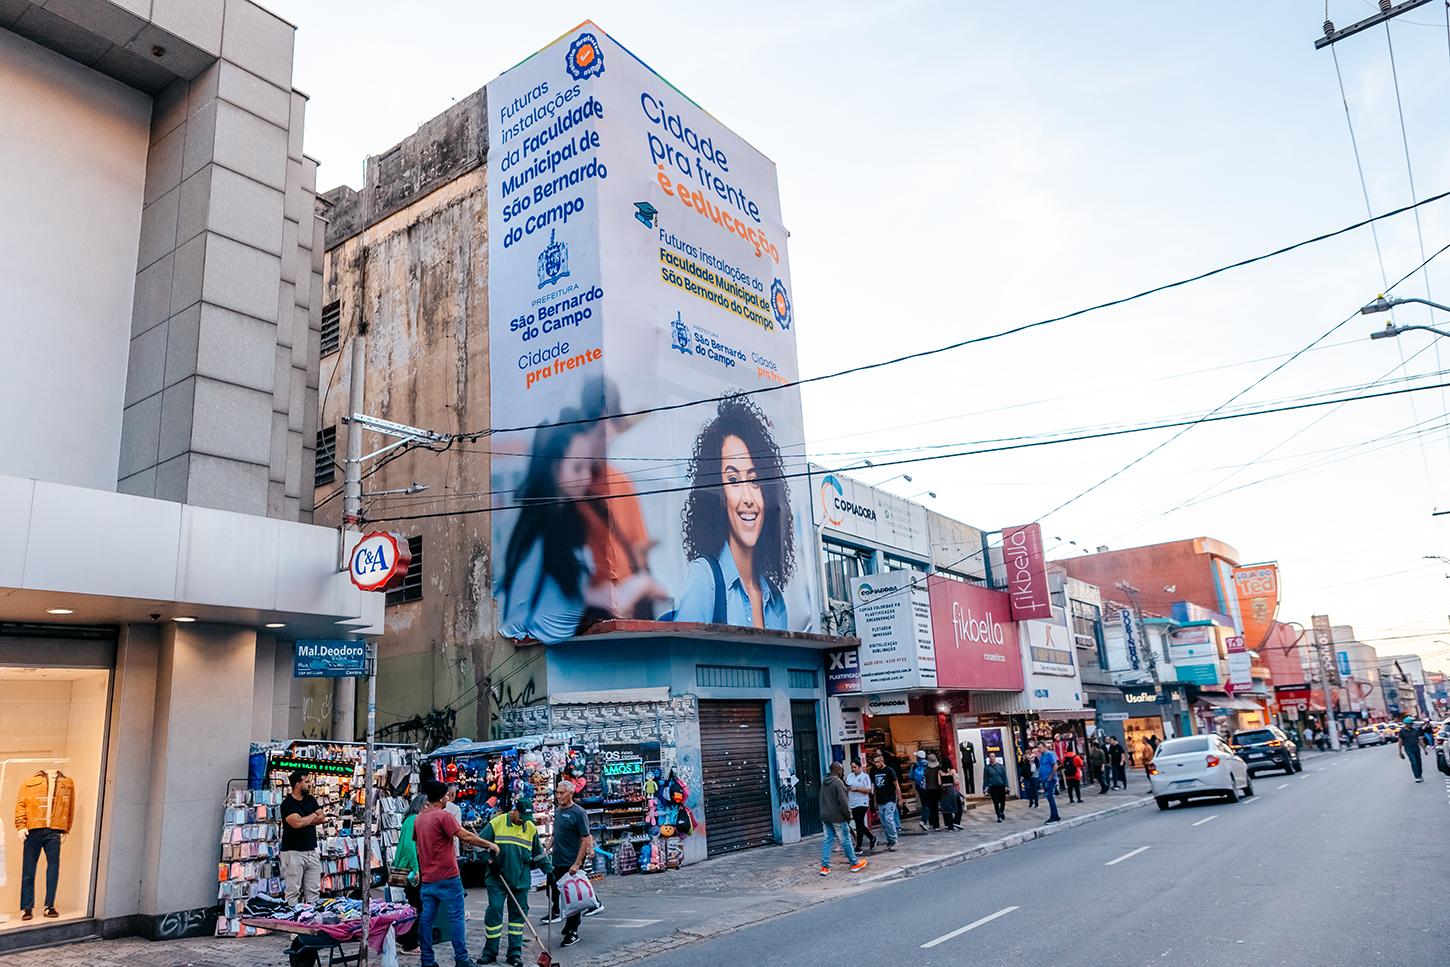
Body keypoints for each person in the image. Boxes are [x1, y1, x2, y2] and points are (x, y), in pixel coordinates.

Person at [498, 413, 663, 644]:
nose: (586, 478)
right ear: (553, 469)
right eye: (577, 468)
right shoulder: (543, 528)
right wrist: (636, 587)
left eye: (587, 467)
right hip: (548, 643)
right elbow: (556, 603)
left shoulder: (570, 519)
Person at [675, 393, 796, 629]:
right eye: (733, 480)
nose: (748, 499)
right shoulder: (705, 579)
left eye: (754, 480)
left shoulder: (776, 602)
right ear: (719, 495)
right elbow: (682, 650)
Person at [415, 779, 496, 967]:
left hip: (428, 878)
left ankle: (427, 960)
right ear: (441, 798)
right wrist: (489, 844)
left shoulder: (419, 818)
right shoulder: (444, 816)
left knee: (426, 919)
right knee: (456, 918)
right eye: (446, 795)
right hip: (448, 876)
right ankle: (461, 959)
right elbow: (465, 835)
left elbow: (418, 845)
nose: (448, 798)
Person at [478, 798, 551, 967]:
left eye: (526, 818)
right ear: (514, 811)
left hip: (520, 880)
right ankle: (490, 952)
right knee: (495, 911)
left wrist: (549, 870)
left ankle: (514, 954)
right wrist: (489, 861)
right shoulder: (497, 823)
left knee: (517, 919)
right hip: (497, 878)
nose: (523, 821)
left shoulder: (530, 827)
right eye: (521, 817)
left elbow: (538, 853)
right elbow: (478, 845)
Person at [544, 780, 596, 948]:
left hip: (571, 862)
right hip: (557, 860)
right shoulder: (558, 811)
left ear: (571, 793)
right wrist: (548, 847)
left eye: (562, 793)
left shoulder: (578, 813)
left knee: (573, 897)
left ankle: (573, 930)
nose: (558, 796)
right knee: (555, 892)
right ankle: (567, 922)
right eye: (557, 792)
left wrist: (577, 863)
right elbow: (556, 833)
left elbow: (585, 839)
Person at [390, 793, 430, 952]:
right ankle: (410, 943)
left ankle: (404, 938)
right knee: (417, 905)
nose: (428, 808)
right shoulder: (414, 820)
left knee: (414, 904)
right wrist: (416, 868)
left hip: (408, 868)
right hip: (410, 869)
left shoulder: (410, 820)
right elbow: (409, 846)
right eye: (426, 805)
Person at [280, 770, 326, 907]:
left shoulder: (310, 799)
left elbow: (322, 818)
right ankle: (292, 916)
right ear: (297, 784)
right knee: (293, 892)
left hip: (311, 851)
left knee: (314, 891)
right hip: (293, 853)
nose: (309, 784)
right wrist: (313, 815)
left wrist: (305, 819)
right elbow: (297, 823)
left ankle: (311, 915)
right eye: (306, 781)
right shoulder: (287, 804)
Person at [819, 762, 868, 875]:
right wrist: (848, 816)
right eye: (841, 770)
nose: (842, 772)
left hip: (826, 817)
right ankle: (854, 863)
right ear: (838, 770)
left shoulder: (824, 781)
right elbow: (844, 803)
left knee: (827, 840)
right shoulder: (838, 783)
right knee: (846, 840)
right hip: (838, 817)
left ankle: (825, 867)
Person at [869, 752, 900, 851]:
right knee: (883, 822)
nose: (876, 764)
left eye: (877, 762)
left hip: (890, 798)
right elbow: (874, 787)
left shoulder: (889, 770)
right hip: (880, 800)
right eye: (875, 762)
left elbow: (896, 785)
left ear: (882, 761)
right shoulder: (873, 771)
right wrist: (874, 801)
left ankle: (894, 840)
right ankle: (890, 840)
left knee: (888, 819)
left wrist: (900, 799)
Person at [846, 760, 877, 852]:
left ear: (860, 767)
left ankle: (858, 845)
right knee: (859, 823)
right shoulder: (850, 776)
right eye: (852, 767)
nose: (853, 769)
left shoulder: (865, 776)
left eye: (855, 767)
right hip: (853, 802)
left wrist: (857, 789)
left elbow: (868, 790)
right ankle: (871, 838)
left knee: (859, 823)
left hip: (862, 802)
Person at [983, 753, 1010, 822]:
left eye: (992, 756)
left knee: (1002, 801)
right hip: (993, 787)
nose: (991, 758)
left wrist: (1006, 786)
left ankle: (1001, 812)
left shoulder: (1001, 766)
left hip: (1001, 786)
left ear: (995, 757)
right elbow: (985, 778)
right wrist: (985, 787)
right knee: (996, 802)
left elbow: (1004, 777)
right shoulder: (987, 768)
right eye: (990, 757)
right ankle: (998, 816)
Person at [1398, 715, 1426, 783]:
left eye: (1411, 724)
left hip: (1416, 748)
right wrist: (1400, 752)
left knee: (1418, 762)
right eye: (1410, 724)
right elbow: (1400, 741)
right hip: (1408, 749)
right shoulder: (1402, 731)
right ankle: (1417, 777)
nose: (1411, 725)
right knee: (1414, 762)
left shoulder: (1415, 731)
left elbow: (1419, 740)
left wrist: (1424, 749)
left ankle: (1420, 775)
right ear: (1406, 724)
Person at [1038, 744, 1060, 824]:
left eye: (1040, 747)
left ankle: (1054, 817)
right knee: (1049, 797)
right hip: (1044, 779)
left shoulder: (1050, 754)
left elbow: (1055, 766)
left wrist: (1050, 777)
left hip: (1049, 779)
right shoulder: (1041, 756)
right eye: (1038, 748)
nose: (1039, 749)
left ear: (1045, 747)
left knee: (1050, 797)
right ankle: (1055, 815)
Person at [920, 753, 944, 830]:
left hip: (929, 790)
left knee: (933, 808)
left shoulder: (926, 769)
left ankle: (935, 825)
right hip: (938, 789)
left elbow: (924, 781)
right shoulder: (938, 769)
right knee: (943, 806)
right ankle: (947, 823)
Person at [938, 760, 963, 830]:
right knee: (958, 806)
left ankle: (950, 825)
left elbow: (939, 783)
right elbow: (955, 782)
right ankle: (956, 821)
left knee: (947, 808)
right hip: (951, 789)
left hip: (943, 790)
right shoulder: (952, 771)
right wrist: (958, 780)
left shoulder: (940, 772)